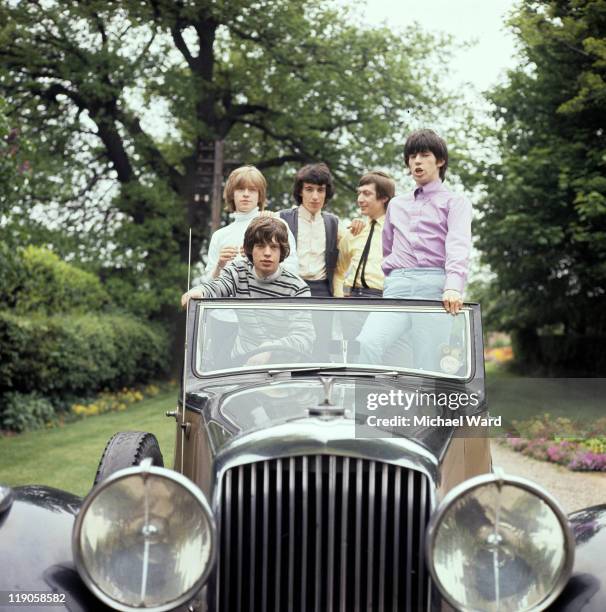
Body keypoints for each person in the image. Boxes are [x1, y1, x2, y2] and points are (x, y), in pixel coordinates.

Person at [357, 129, 472, 371]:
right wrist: (396, 274)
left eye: (424, 155)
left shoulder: (456, 202)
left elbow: (458, 245)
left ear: (439, 161)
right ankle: (365, 407)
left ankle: (427, 409)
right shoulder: (397, 204)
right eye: (411, 156)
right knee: (367, 342)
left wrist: (453, 286)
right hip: (397, 286)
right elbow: (388, 247)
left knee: (429, 367)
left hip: (435, 288)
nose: (416, 161)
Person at [182, 216, 313, 366]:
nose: (267, 253)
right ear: (249, 249)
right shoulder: (238, 271)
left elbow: (304, 337)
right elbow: (218, 286)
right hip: (241, 363)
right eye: (260, 246)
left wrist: (269, 350)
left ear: (282, 251)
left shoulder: (297, 288)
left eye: (274, 247)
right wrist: (199, 292)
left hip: (282, 368)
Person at [202, 165, 298, 280]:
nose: (246, 194)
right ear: (232, 193)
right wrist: (219, 265)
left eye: (252, 190)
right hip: (229, 298)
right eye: (241, 189)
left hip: (269, 297)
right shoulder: (219, 236)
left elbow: (293, 270)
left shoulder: (276, 225)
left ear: (259, 195)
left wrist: (256, 260)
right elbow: (207, 285)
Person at [277, 163, 340, 297]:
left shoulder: (334, 222)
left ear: (326, 192)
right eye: (309, 189)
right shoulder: (281, 218)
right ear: (300, 191)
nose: (315, 197)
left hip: (323, 291)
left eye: (320, 190)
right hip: (289, 287)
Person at [333, 171, 396, 298]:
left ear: (384, 198)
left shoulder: (396, 231)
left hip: (384, 299)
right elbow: (339, 271)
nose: (360, 199)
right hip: (352, 299)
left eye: (366, 194)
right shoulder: (355, 230)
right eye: (359, 193)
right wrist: (339, 298)